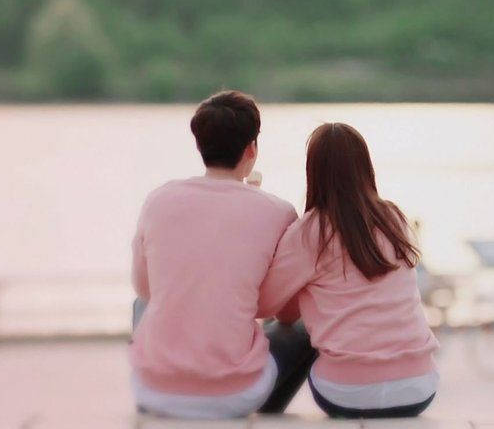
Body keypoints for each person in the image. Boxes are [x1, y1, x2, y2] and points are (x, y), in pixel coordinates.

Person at [130, 90, 316, 419]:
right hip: (236, 395)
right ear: (251, 149)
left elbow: (144, 290)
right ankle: (261, 407)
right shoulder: (277, 211)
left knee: (142, 306)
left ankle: (166, 384)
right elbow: (283, 310)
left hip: (154, 392)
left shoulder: (158, 200)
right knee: (302, 330)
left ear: (200, 145)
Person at [258, 122, 439, 418]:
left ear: (313, 172)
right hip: (419, 389)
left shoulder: (309, 230)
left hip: (347, 395)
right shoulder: (393, 218)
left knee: (292, 334)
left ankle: (257, 413)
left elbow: (267, 306)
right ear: (365, 167)